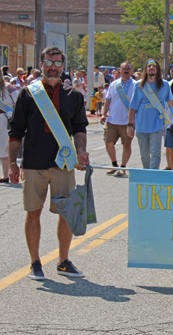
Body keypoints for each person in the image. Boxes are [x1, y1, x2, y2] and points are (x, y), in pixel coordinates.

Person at [8, 46, 90, 280]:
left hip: (63, 165)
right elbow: (16, 131)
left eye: (57, 63)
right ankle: (35, 262)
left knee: (65, 213)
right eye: (48, 62)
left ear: (63, 66)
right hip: (33, 163)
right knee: (33, 213)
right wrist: (13, 163)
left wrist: (82, 151)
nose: (53, 67)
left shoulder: (73, 95)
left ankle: (63, 261)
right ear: (41, 64)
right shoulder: (28, 94)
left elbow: (80, 129)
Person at [127, 59, 173, 169]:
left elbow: (172, 102)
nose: (151, 68)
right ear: (145, 70)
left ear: (158, 70)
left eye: (154, 66)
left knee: (155, 154)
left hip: (157, 125)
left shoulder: (164, 85)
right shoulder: (139, 85)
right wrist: (129, 125)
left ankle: (153, 177)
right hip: (141, 125)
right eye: (149, 66)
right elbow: (133, 107)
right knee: (144, 155)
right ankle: (147, 175)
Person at [100, 61, 136, 176]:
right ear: (120, 71)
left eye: (128, 68)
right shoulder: (113, 84)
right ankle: (114, 164)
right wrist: (103, 114)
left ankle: (123, 167)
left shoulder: (136, 85)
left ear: (131, 71)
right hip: (112, 120)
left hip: (127, 121)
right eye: (123, 68)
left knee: (126, 145)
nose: (126, 70)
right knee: (108, 142)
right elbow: (108, 100)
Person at [0, 75, 19, 183]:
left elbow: (18, 102)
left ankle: (5, 174)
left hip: (4, 118)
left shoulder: (8, 88)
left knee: (3, 147)